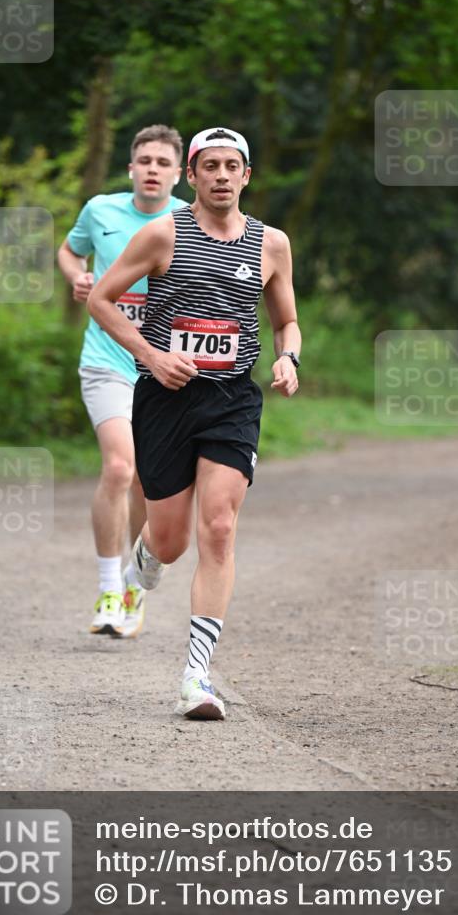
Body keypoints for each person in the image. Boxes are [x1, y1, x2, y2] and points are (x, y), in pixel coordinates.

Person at [87, 126, 301, 720]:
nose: (222, 176)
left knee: (220, 528)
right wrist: (152, 356)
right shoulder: (163, 233)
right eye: (211, 166)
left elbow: (287, 321)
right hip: (164, 399)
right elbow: (101, 298)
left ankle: (196, 677)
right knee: (172, 539)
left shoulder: (271, 244)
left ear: (247, 176)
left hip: (232, 398)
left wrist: (288, 356)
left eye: (233, 166)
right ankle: (146, 558)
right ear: (194, 174)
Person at [58, 125, 187, 638]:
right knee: (117, 467)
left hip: (165, 369)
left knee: (145, 483)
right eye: (145, 160)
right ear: (131, 167)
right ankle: (110, 589)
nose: (153, 168)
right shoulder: (100, 211)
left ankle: (136, 585)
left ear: (179, 174)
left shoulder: (189, 221)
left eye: (163, 162)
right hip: (107, 359)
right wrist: (77, 275)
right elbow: (69, 250)